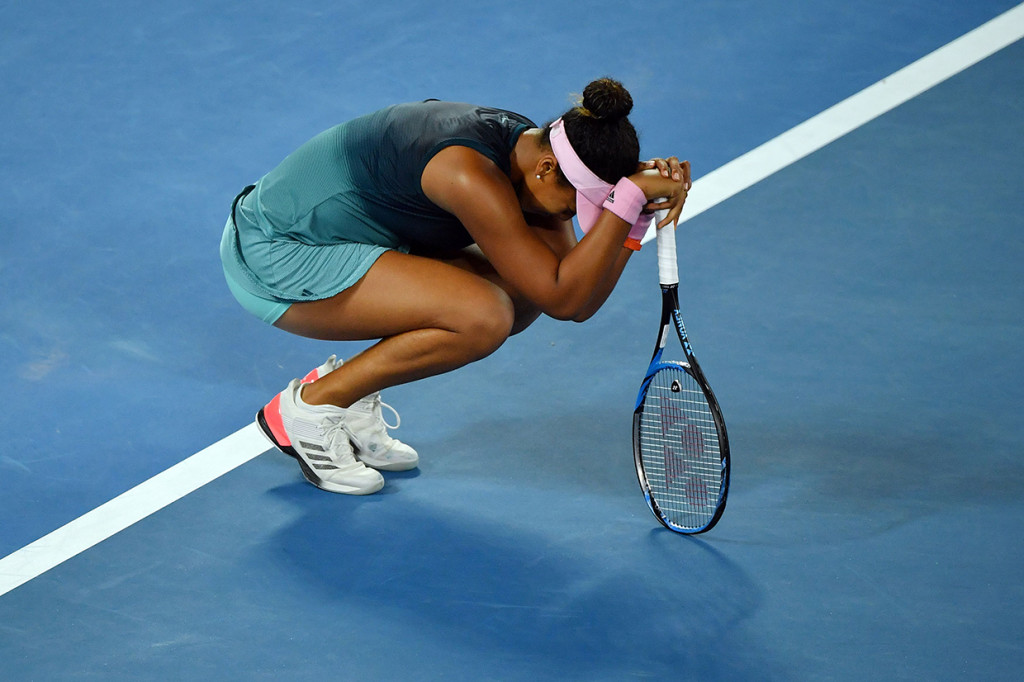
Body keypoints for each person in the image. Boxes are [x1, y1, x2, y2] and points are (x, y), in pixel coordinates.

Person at [220, 77, 691, 495]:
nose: (576, 214)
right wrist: (626, 201)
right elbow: (568, 296)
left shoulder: (534, 155)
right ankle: (309, 410)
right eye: (580, 202)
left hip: (359, 238)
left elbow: (572, 299)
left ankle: (352, 390)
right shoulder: (467, 173)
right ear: (547, 169)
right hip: (276, 252)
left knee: (523, 293)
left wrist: (631, 220)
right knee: (482, 316)